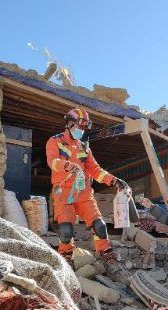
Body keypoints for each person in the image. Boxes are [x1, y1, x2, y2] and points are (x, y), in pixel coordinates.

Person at [46, 107, 129, 282]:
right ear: (69, 123)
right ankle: (66, 259)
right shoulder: (55, 141)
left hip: (83, 192)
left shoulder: (85, 147)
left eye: (84, 128)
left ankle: (108, 258)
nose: (81, 130)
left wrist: (114, 181)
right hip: (64, 191)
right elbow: (52, 161)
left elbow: (95, 170)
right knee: (66, 230)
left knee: (99, 226)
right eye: (79, 126)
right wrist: (67, 165)